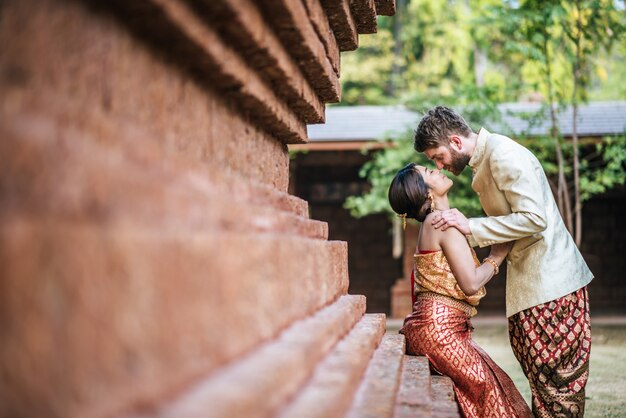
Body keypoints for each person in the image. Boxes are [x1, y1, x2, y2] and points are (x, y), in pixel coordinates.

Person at [413, 106, 593, 417]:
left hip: (551, 285)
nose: (439, 165)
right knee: (542, 387)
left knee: (557, 389)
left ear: (455, 142)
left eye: (437, 157)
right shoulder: (483, 164)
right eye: (433, 164)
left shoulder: (502, 154)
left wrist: (473, 226)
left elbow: (534, 218)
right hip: (529, 287)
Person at [389, 163, 532, 418]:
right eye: (428, 172)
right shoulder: (439, 222)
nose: (436, 170)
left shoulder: (440, 221)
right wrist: (496, 257)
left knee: (497, 382)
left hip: (439, 328)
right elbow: (471, 283)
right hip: (439, 331)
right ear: (426, 193)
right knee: (490, 392)